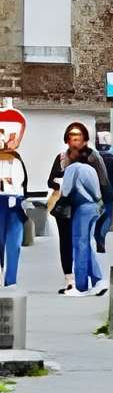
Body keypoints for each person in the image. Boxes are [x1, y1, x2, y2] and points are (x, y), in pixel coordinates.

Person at [56, 126, 104, 297]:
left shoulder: (72, 169)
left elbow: (66, 191)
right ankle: (97, 279)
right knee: (88, 243)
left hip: (81, 209)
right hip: (94, 208)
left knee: (80, 245)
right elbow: (98, 191)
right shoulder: (90, 169)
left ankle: (82, 286)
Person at [0, 120, 27, 289]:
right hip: (6, 200)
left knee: (13, 243)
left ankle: (11, 279)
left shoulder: (15, 159)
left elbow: (19, 181)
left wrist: (7, 183)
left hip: (14, 201)